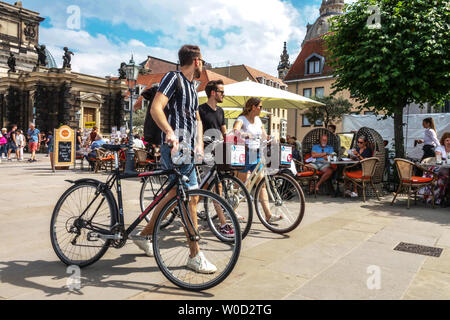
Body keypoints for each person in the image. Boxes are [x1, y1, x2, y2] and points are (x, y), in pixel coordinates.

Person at [134, 45, 217, 274]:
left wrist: (199, 143)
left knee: (175, 194)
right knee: (189, 199)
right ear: (197, 61)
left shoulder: (192, 86)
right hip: (176, 148)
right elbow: (156, 108)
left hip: (189, 149)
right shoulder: (174, 78)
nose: (204, 65)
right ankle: (195, 254)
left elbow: (197, 118)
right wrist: (169, 132)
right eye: (203, 61)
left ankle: (144, 234)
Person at [233, 97, 282, 223]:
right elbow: (235, 130)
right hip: (246, 153)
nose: (261, 109)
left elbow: (264, 135)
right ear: (253, 107)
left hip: (257, 155)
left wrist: (272, 138)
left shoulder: (259, 120)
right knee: (240, 185)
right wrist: (243, 134)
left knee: (262, 184)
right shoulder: (242, 119)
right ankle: (231, 210)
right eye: (260, 106)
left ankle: (268, 215)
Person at [199, 80, 236, 236]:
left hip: (218, 150)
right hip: (206, 151)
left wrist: (231, 144)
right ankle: (222, 223)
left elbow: (224, 133)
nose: (224, 94)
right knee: (216, 186)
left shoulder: (220, 111)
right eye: (221, 91)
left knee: (212, 185)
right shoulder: (201, 110)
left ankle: (190, 202)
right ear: (213, 93)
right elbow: (198, 131)